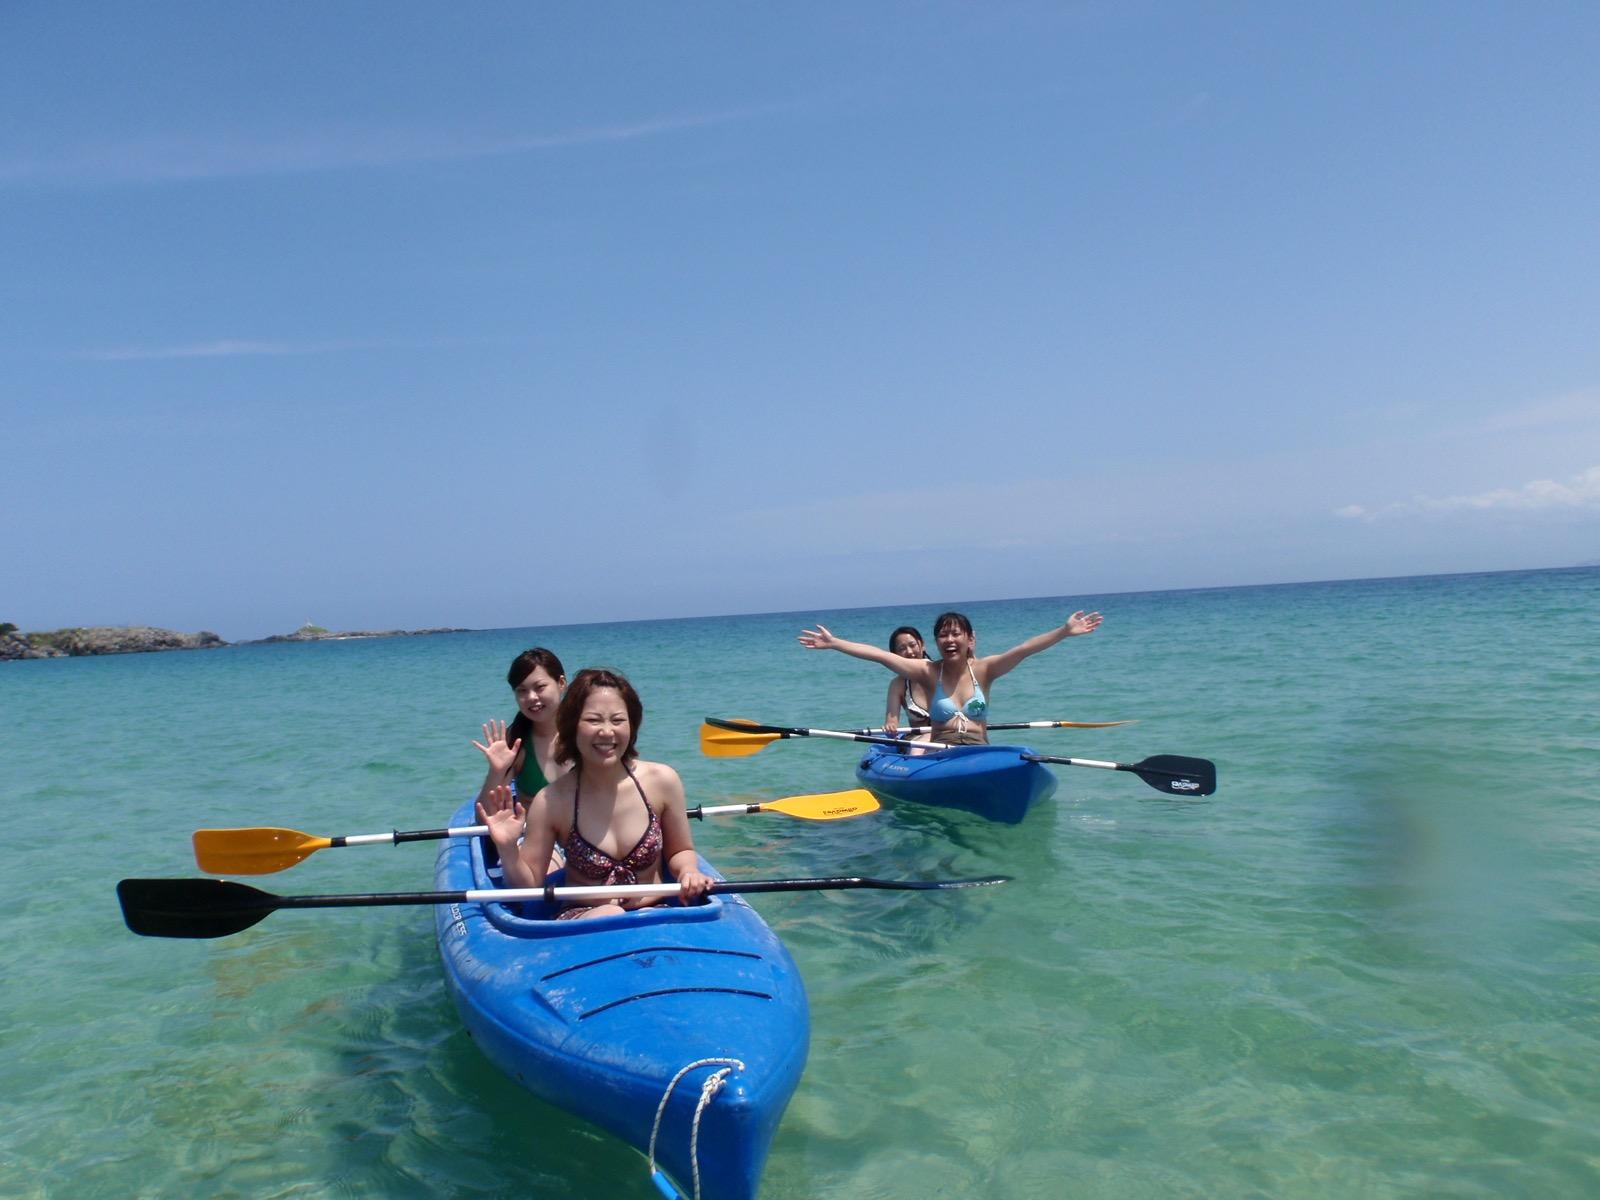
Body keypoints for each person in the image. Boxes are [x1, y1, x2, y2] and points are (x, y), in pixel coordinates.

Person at [477, 667, 714, 919]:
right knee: (610, 913)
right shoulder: (551, 801)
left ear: (632, 725)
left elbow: (680, 851)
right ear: (572, 726)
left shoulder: (662, 781)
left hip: (654, 912)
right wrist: (508, 848)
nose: (607, 731)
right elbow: (529, 886)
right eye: (593, 720)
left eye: (618, 720)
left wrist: (689, 871)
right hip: (585, 920)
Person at [800, 608, 1104, 745]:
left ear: (970, 639)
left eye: (956, 634)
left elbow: (1025, 649)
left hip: (978, 750)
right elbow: (880, 655)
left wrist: (1064, 632)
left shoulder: (985, 669)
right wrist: (835, 643)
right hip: (941, 752)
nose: (949, 640)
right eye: (943, 635)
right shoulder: (928, 671)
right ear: (935, 643)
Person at [472, 647, 569, 807]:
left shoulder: (586, 731)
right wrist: (496, 772)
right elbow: (483, 818)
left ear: (561, 683)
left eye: (540, 687)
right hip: (536, 831)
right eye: (522, 691)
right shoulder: (517, 740)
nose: (531, 697)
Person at [883, 625, 933, 735]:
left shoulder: (943, 671)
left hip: (950, 738)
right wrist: (890, 727)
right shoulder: (897, 685)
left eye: (912, 645)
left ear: (922, 645)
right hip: (919, 742)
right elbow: (891, 723)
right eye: (902, 649)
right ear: (894, 655)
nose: (909, 652)